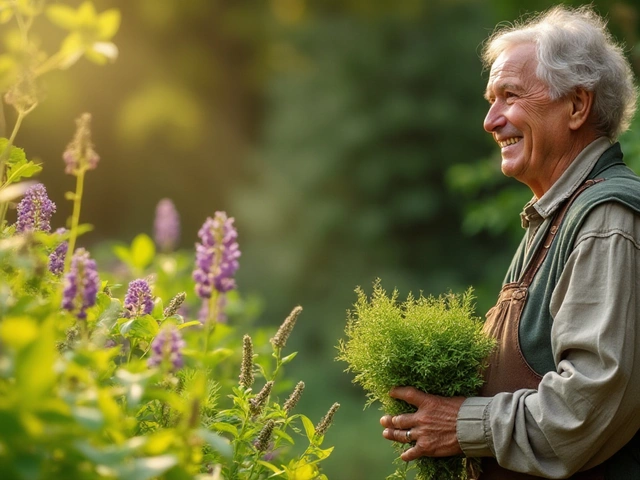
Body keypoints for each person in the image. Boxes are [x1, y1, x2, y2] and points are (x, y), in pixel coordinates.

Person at [379, 5, 640, 479]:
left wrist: (462, 423)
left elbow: (583, 407)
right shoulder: (554, 216)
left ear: (577, 106)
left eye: (510, 96)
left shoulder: (607, 218)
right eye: (490, 99)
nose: (490, 120)